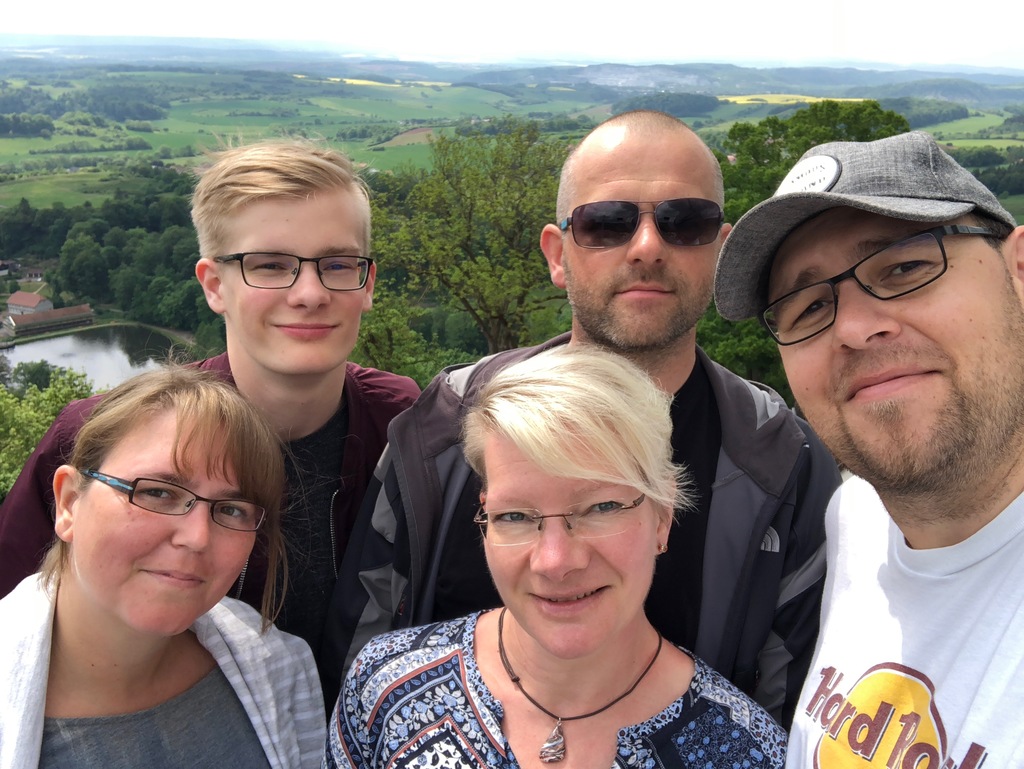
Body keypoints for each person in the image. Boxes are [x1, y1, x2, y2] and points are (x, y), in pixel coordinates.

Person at [324, 109, 840, 727]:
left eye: (685, 222)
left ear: (721, 252)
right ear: (558, 253)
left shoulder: (783, 465)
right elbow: (361, 666)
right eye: (607, 223)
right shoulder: (445, 423)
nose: (647, 247)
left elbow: (791, 723)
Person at [0, 140, 420, 697]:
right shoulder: (104, 442)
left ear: (366, 283)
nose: (311, 293)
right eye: (270, 265)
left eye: (337, 264)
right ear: (214, 285)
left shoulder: (407, 428)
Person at [714, 130, 1024, 766]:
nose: (854, 328)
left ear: (1018, 273)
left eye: (905, 267)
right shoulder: (855, 516)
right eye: (805, 308)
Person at [325, 346, 787, 768]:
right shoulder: (387, 686)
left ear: (662, 518)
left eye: (601, 508)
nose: (555, 561)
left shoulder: (748, 752)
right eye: (516, 516)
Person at [0, 366, 325, 769]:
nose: (197, 537)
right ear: (68, 503)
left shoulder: (280, 669)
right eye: (157, 492)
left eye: (230, 509)